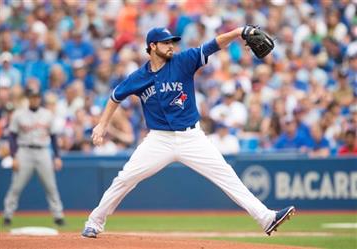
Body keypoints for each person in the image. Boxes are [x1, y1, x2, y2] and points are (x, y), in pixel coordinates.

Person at [82, 27, 295, 238]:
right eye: (165, 42)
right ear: (153, 46)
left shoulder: (183, 61)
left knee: (227, 176)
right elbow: (115, 97)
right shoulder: (139, 76)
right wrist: (102, 125)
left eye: (172, 42)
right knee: (125, 178)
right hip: (159, 140)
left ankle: (266, 218)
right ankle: (94, 222)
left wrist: (239, 32)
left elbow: (214, 44)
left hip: (192, 137)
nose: (171, 46)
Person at [3, 87, 65, 226]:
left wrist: (57, 156)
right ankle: (8, 215)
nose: (35, 99)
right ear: (28, 99)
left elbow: (54, 137)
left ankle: (58, 215)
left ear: (40, 99)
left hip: (43, 151)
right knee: (16, 186)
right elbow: (12, 136)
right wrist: (14, 157)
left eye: (37, 97)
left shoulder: (47, 114)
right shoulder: (19, 114)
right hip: (24, 152)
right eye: (32, 97)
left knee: (51, 186)